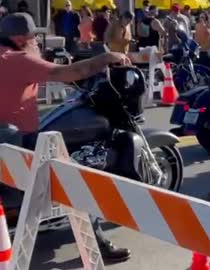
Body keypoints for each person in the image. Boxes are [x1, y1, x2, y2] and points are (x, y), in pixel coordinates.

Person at [0, 12, 132, 262]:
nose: (36, 43)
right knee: (80, 175)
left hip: (6, 144)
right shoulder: (17, 59)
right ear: (19, 40)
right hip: (18, 147)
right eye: (33, 38)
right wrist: (106, 57)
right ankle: (97, 245)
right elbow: (69, 72)